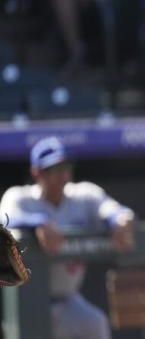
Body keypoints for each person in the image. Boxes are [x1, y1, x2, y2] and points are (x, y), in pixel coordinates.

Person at [0, 136, 136, 339]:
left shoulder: (83, 195)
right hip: (27, 301)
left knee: (95, 323)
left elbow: (115, 210)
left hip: (67, 300)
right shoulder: (21, 197)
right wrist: (38, 221)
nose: (63, 176)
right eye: (54, 169)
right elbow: (4, 218)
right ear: (37, 173)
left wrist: (120, 221)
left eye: (65, 168)